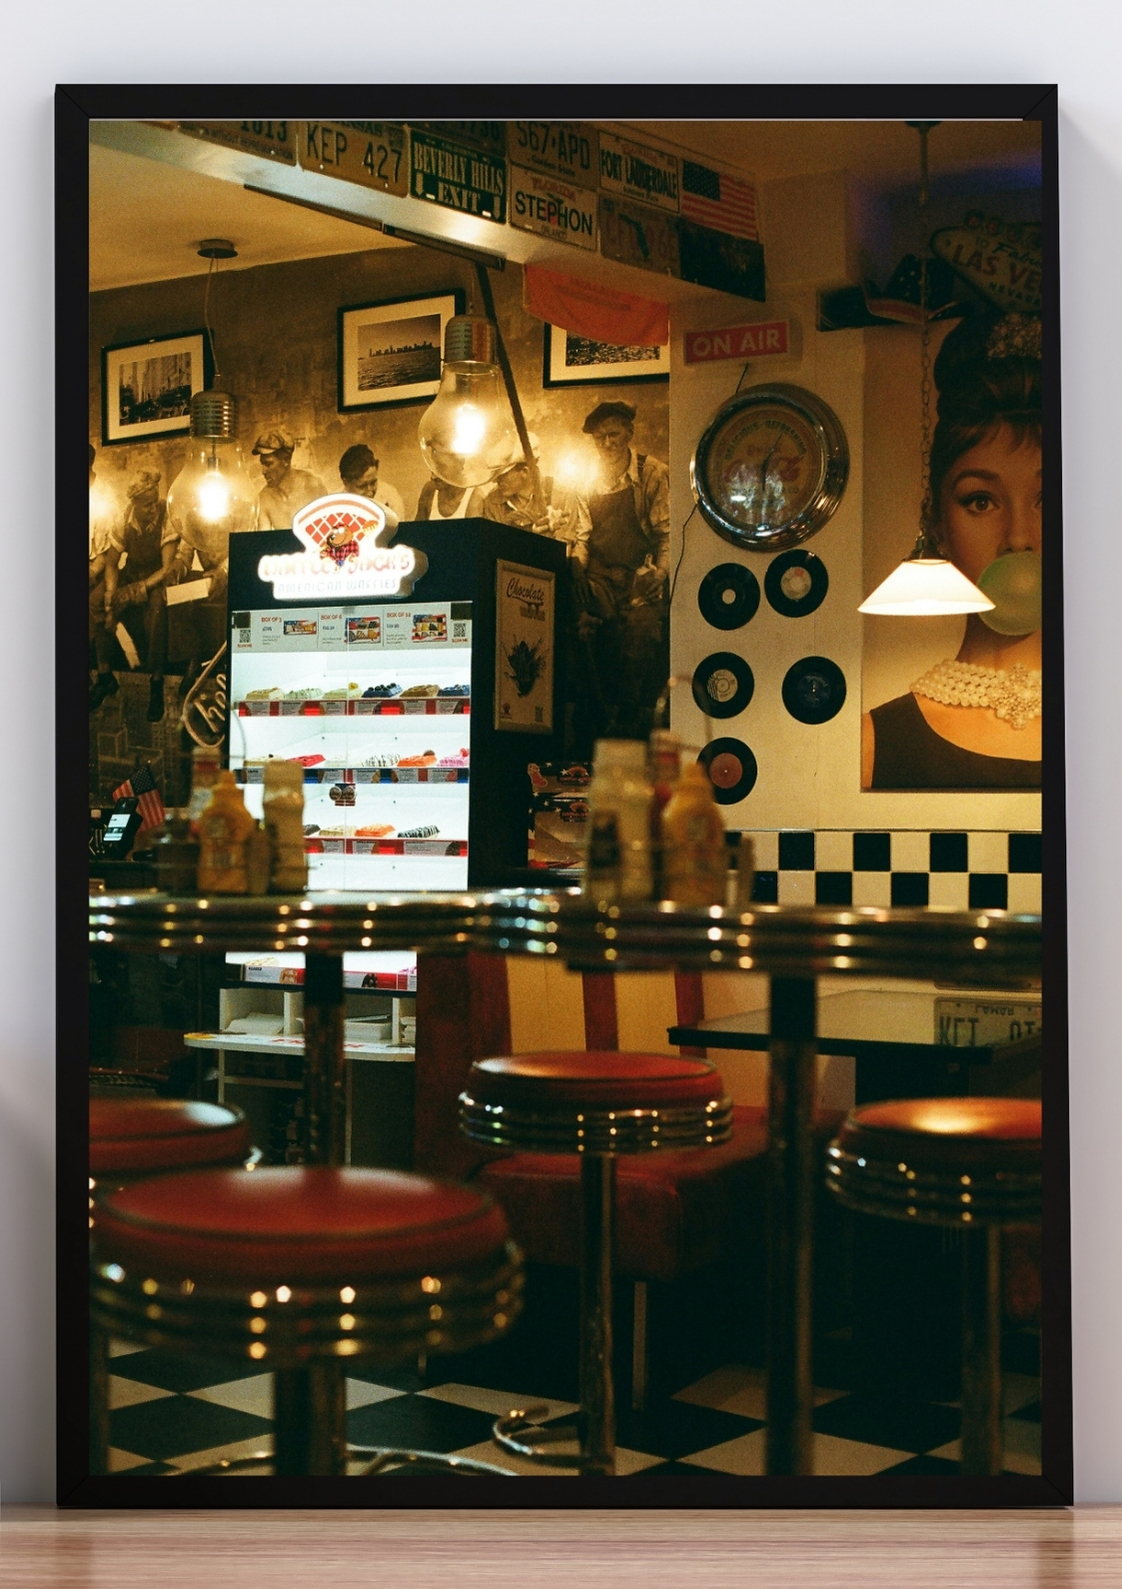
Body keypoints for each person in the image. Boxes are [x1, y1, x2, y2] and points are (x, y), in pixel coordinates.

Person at [862, 312, 1042, 790]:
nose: (1018, 537)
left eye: (1050, 500)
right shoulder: (872, 743)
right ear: (936, 523)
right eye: (981, 501)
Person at [570, 400, 671, 744]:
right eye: (600, 438)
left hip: (639, 576)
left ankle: (628, 720)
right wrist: (576, 567)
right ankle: (590, 720)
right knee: (580, 628)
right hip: (600, 577)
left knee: (641, 632)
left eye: (613, 434)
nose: (607, 443)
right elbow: (581, 536)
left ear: (629, 432)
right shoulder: (585, 477)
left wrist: (660, 574)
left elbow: (666, 534)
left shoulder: (652, 473)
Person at [100, 468, 178, 722]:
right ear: (134, 503)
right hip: (132, 572)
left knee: (157, 608)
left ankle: (156, 681)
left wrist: (138, 589)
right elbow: (112, 563)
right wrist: (111, 592)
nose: (153, 508)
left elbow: (167, 568)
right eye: (147, 505)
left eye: (154, 501)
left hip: (156, 577)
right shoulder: (124, 517)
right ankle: (104, 675)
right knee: (97, 601)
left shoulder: (167, 515)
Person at [88, 445, 121, 710]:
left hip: (98, 568)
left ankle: (103, 673)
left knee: (96, 603)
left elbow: (105, 556)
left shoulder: (101, 501)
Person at [253, 430, 326, 530]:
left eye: (268, 464)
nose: (263, 471)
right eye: (262, 464)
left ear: (286, 460)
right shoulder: (264, 498)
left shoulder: (314, 486)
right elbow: (263, 537)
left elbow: (327, 532)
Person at [338, 443, 405, 529]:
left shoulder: (390, 496)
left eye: (373, 483)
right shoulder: (334, 507)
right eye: (362, 486)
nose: (370, 493)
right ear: (346, 483)